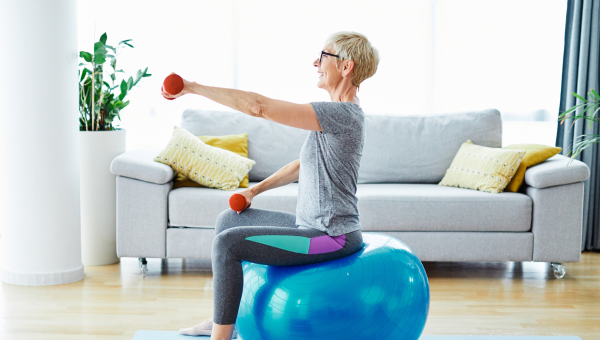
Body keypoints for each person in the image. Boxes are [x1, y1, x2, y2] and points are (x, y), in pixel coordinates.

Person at [163, 31, 380, 340]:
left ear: (346, 67)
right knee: (227, 222)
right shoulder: (334, 115)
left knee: (228, 245)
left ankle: (222, 336)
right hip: (309, 225)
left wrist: (192, 87)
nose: (316, 62)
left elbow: (258, 107)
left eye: (325, 56)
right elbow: (303, 165)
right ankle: (224, 318)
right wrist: (254, 190)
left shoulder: (342, 114)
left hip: (332, 236)